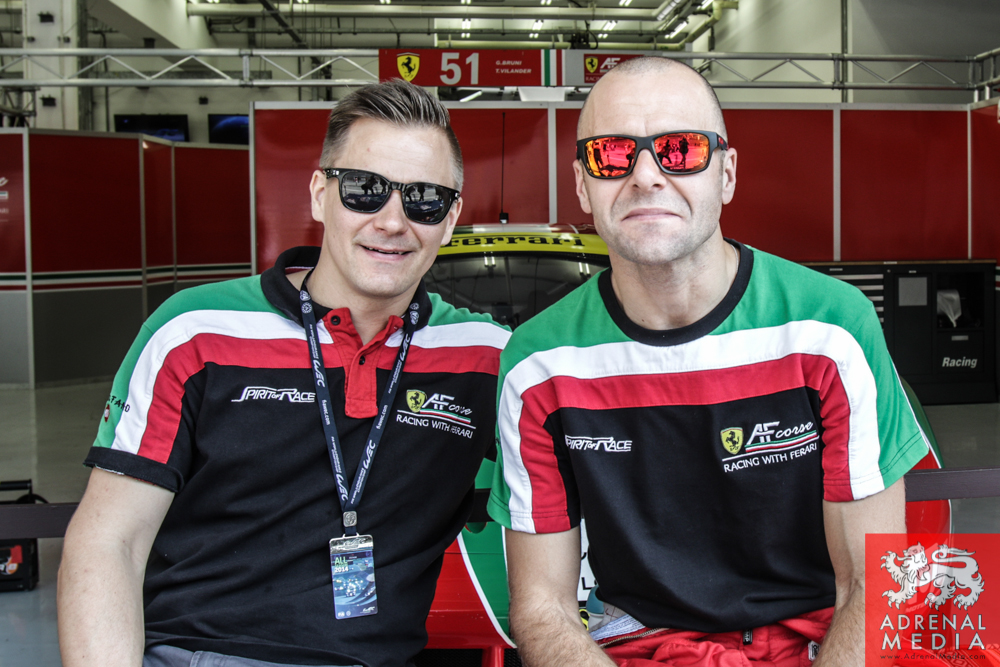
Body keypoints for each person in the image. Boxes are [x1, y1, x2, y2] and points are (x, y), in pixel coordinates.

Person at [488, 57, 928, 667]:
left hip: (822, 644)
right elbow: (544, 609)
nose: (646, 176)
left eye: (681, 150)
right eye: (613, 155)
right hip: (640, 649)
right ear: (583, 184)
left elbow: (874, 585)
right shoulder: (539, 364)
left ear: (727, 173)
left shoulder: (830, 330)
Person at [58, 79, 510, 667]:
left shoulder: (486, 356)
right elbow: (108, 542)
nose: (392, 221)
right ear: (320, 194)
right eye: (365, 190)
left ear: (450, 220)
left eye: (424, 199)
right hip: (198, 654)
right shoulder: (194, 332)